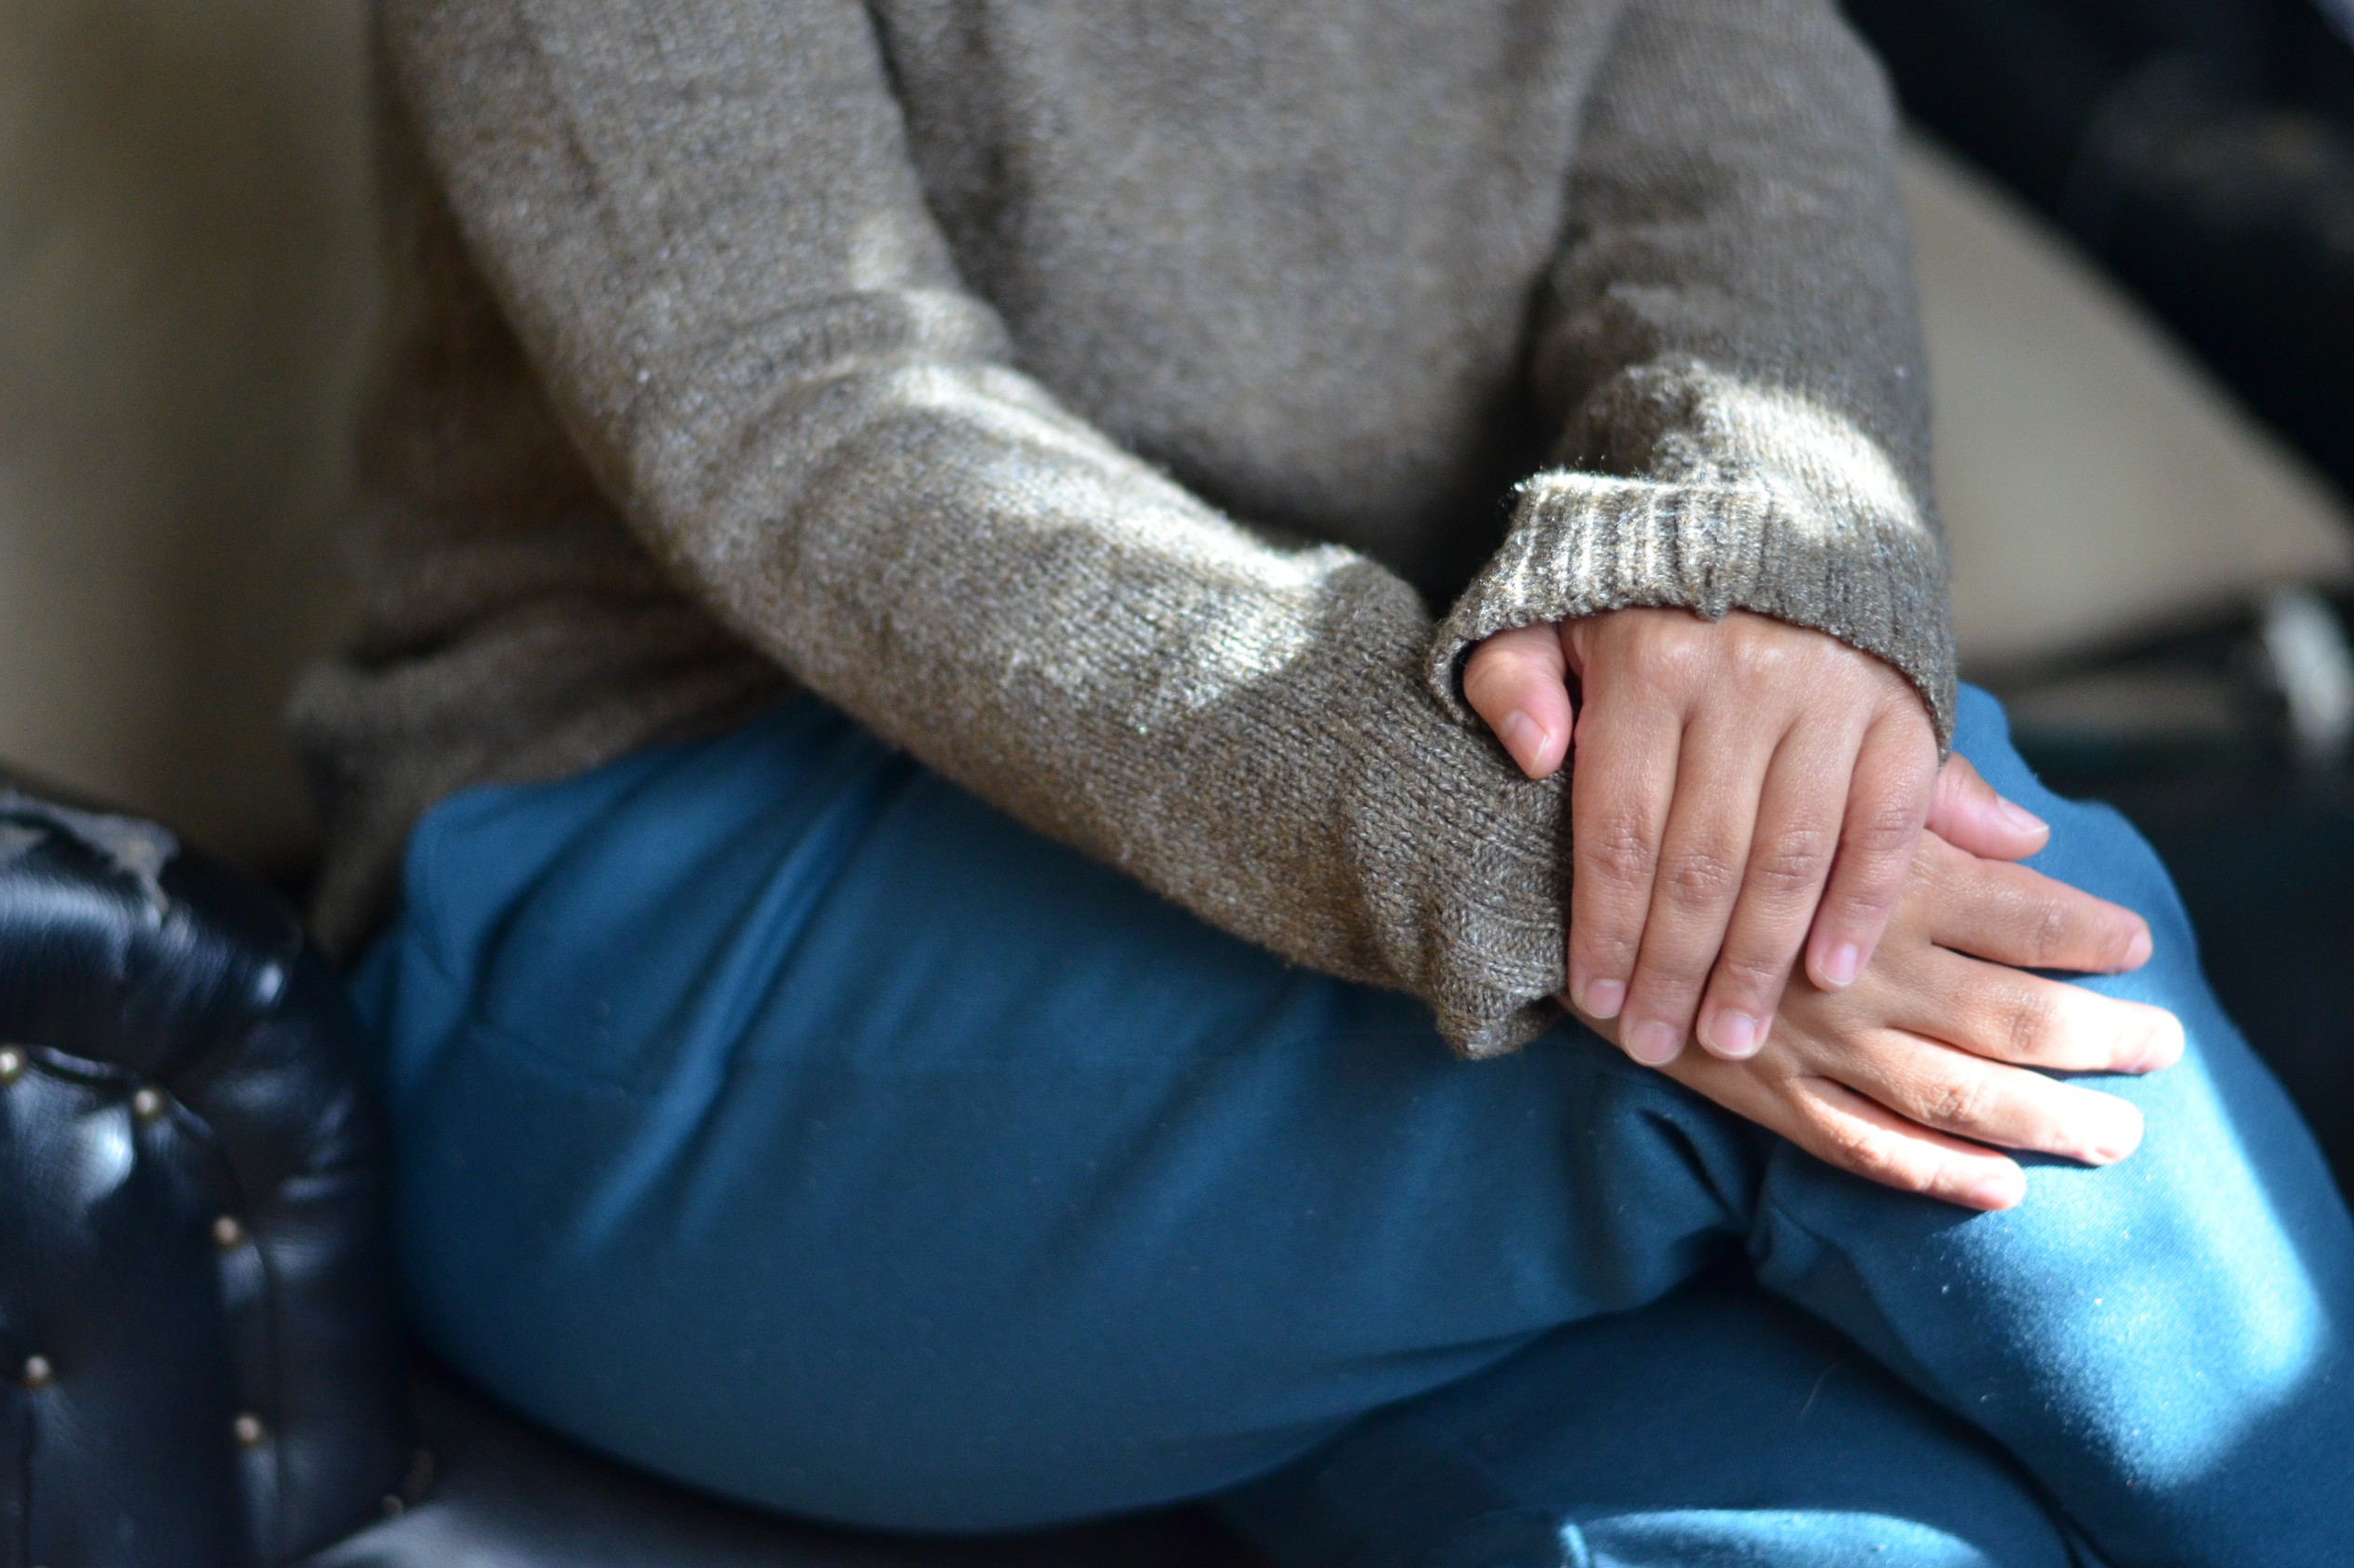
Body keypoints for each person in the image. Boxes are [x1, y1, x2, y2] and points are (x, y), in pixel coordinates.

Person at [299, 1, 2354, 1562]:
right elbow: (807, 413)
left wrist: (1748, 582)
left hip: (1358, 954)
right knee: (1902, 932)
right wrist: (1554, 849)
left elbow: (1738, 147)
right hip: (684, 909)